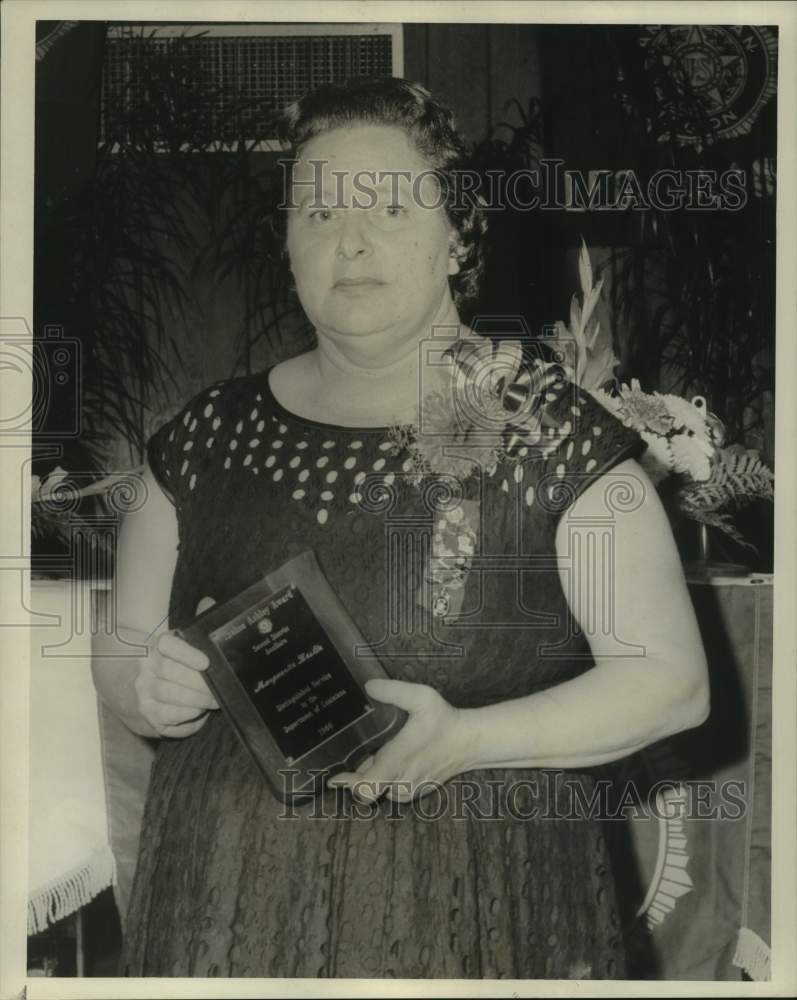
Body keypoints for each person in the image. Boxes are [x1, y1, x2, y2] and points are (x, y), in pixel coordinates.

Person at [92, 77, 709, 980]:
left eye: (388, 207)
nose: (350, 242)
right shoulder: (203, 436)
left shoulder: (542, 428)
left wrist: (467, 738)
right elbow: (121, 645)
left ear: (456, 235)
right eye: (317, 213)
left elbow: (671, 685)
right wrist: (143, 687)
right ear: (288, 246)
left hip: (475, 912)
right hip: (221, 912)